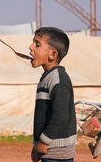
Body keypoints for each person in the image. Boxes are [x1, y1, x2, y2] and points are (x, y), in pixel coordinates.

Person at [29, 27, 76, 162]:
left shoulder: (58, 79)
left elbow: (60, 115)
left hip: (57, 153)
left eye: (37, 44)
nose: (30, 47)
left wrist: (43, 142)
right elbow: (44, 116)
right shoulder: (47, 77)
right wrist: (36, 145)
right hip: (49, 150)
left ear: (52, 55)